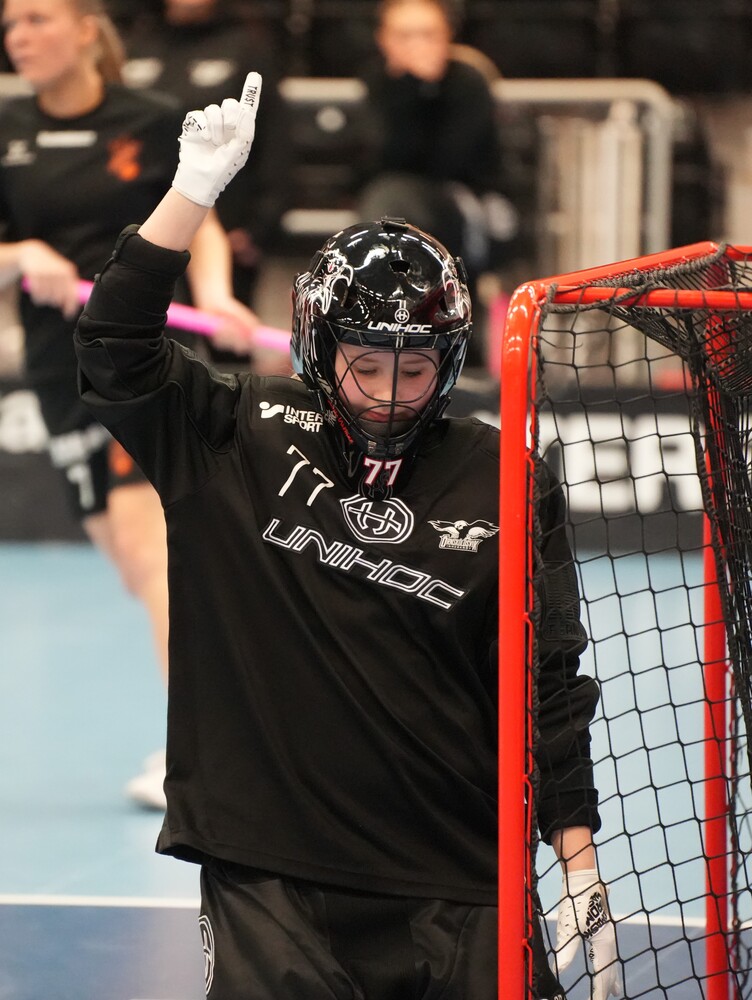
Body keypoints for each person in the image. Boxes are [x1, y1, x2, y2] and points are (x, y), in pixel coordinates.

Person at [74, 73, 622, 999]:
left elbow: (550, 682)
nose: (389, 396)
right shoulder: (230, 432)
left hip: (459, 875)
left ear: (450, 361)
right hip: (271, 874)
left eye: (416, 370)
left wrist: (579, 864)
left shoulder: (507, 475)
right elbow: (113, 345)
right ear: (320, 350)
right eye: (365, 367)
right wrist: (190, 194)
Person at [0, 0, 257, 808]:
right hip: (57, 365)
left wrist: (217, 293)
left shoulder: (148, 121)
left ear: (86, 28)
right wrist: (21, 254)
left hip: (139, 359)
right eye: (10, 24)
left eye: (37, 19)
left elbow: (199, 216)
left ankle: (205, 756)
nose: (18, 37)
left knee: (152, 554)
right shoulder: (7, 130)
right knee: (128, 559)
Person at [120, 0, 290, 360]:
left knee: (227, 349)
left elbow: (275, 135)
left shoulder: (248, 44)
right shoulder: (136, 41)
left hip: (225, 223)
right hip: (143, 220)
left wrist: (259, 224)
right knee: (143, 347)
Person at [356, 0, 518, 299]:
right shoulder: (377, 83)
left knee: (391, 202)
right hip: (395, 204)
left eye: (428, 34)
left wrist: (426, 87)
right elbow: (378, 160)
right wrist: (410, 87)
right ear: (384, 39)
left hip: (461, 201)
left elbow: (452, 161)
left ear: (447, 36)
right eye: (405, 35)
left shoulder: (468, 82)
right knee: (388, 201)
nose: (417, 45)